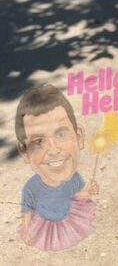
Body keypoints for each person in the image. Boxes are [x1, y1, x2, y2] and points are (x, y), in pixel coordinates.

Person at [15, 83, 98, 251]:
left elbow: (76, 197)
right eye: (38, 141)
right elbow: (27, 211)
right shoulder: (31, 187)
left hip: (68, 219)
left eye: (61, 134)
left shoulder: (74, 178)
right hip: (45, 224)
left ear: (79, 137)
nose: (53, 150)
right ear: (24, 152)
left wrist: (88, 192)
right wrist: (26, 228)